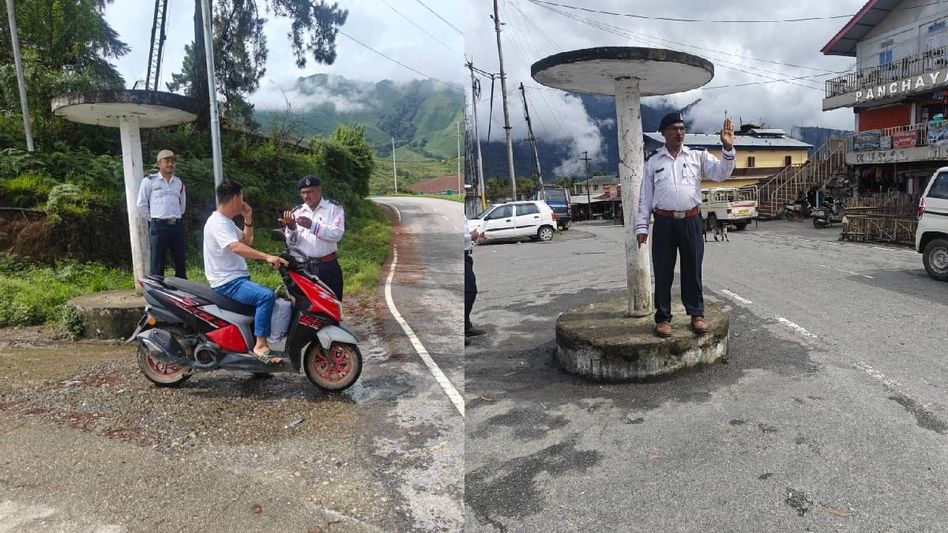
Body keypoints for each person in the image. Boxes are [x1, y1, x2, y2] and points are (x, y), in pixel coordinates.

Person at [635, 113, 736, 338]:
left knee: (693, 270)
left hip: (691, 220)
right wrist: (642, 226)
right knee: (663, 272)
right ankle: (662, 318)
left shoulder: (697, 156)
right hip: (663, 222)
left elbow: (721, 174)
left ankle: (697, 315)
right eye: (673, 128)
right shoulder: (653, 161)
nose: (679, 132)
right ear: (663, 133)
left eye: (682, 128)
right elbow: (644, 196)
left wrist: (727, 149)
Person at [204, 179, 288, 364]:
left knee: (273, 294)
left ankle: (254, 350)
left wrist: (248, 218)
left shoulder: (225, 222)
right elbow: (236, 247)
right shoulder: (217, 223)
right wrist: (266, 257)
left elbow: (246, 241)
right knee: (265, 296)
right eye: (242, 198)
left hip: (237, 279)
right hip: (227, 282)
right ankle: (260, 346)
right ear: (235, 198)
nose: (243, 202)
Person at [279, 175, 345, 300]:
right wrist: (292, 228)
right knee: (305, 306)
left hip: (327, 266)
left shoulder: (333, 208)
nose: (306, 196)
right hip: (303, 267)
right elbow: (291, 243)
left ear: (319, 190)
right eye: (303, 192)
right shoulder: (297, 211)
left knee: (331, 304)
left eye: (310, 192)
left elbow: (337, 234)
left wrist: (312, 226)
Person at [137, 149, 188, 278]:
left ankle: (182, 290)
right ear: (159, 163)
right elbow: (141, 204)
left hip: (177, 226)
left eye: (173, 162)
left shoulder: (179, 183)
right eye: (167, 161)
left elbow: (182, 206)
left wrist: (176, 217)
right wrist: (154, 219)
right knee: (157, 261)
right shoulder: (149, 181)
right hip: (159, 226)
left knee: (180, 259)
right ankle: (156, 291)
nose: (170, 164)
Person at [465, 221, 486, 344]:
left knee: (469, 292)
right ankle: (463, 327)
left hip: (467, 256)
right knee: (469, 292)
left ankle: (466, 326)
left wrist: (476, 239)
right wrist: (470, 236)